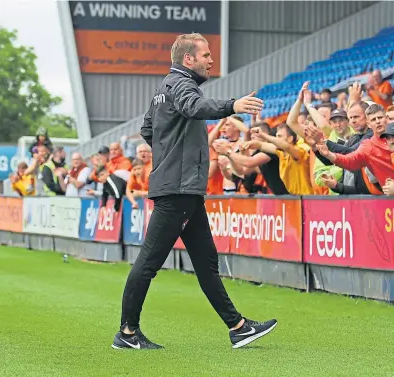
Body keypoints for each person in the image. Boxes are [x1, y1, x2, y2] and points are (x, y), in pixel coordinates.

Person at [112, 33, 276, 351]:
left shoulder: (164, 88)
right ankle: (127, 333)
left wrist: (170, 152)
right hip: (178, 190)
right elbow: (196, 106)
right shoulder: (183, 86)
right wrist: (233, 105)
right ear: (189, 59)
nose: (211, 60)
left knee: (206, 261)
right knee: (148, 263)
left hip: (180, 188)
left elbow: (148, 130)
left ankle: (238, 327)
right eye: (206, 55)